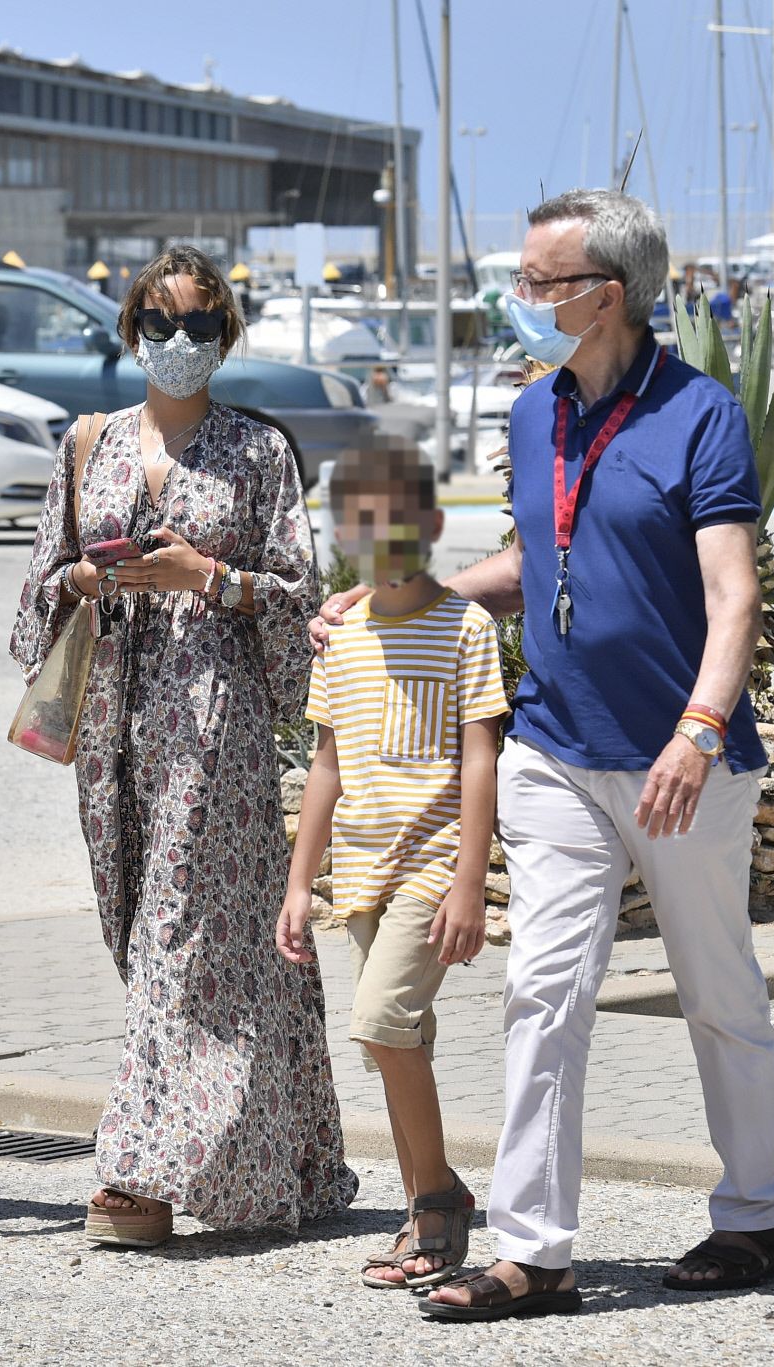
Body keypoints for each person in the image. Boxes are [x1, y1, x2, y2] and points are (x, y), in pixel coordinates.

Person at [318, 189, 774, 1321]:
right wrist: (399, 598)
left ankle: (755, 1215)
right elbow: (535, 557)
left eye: (540, 282)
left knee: (718, 990)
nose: (519, 299)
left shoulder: (702, 415)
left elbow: (732, 601)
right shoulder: (537, 413)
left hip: (686, 762)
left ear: (608, 295)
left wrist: (695, 727)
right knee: (543, 990)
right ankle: (536, 1251)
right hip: (554, 748)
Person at [10, 245, 357, 1246]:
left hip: (214, 726)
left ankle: (139, 1174)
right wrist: (82, 581)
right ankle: (283, 1153)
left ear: (227, 336)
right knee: (151, 931)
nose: (176, 343)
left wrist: (209, 578)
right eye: (158, 325)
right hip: (112, 722)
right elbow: (36, 591)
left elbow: (298, 598)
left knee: (179, 940)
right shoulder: (89, 443)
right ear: (130, 331)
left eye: (199, 325)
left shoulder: (257, 453)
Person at [277, 437, 508, 1290]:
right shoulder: (341, 639)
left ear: (431, 524)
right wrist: (301, 882)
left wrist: (468, 882)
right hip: (362, 873)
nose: (379, 536)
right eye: (360, 522)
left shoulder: (465, 626)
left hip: (430, 866)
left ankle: (439, 1201)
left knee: (378, 1025)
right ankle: (428, 1205)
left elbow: (482, 758)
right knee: (395, 1043)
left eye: (396, 521)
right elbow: (326, 767)